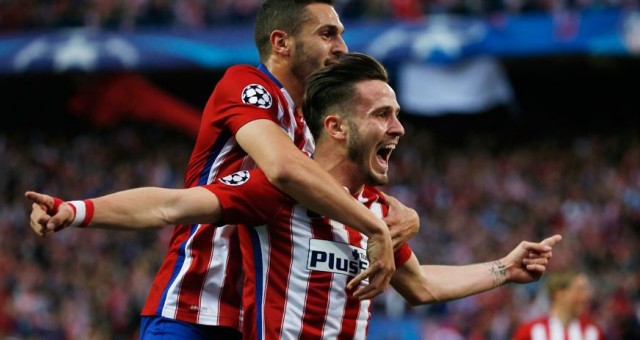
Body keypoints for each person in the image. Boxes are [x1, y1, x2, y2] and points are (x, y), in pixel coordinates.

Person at [27, 53, 561, 339]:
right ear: (334, 126)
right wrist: (74, 211)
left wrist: (502, 270)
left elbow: (420, 287)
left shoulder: (377, 213)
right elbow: (172, 204)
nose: (399, 128)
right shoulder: (275, 191)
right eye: (383, 114)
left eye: (397, 115)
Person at [30, 1, 420, 338]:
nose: (341, 48)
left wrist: (403, 216)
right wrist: (375, 228)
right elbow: (276, 169)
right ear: (281, 43)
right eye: (327, 34)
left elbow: (347, 190)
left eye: (340, 35)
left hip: (255, 320)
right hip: (194, 307)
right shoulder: (248, 85)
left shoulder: (311, 130)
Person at [513, 271, 605, 340]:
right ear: (560, 294)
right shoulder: (531, 332)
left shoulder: (593, 332)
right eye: (579, 290)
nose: (586, 296)